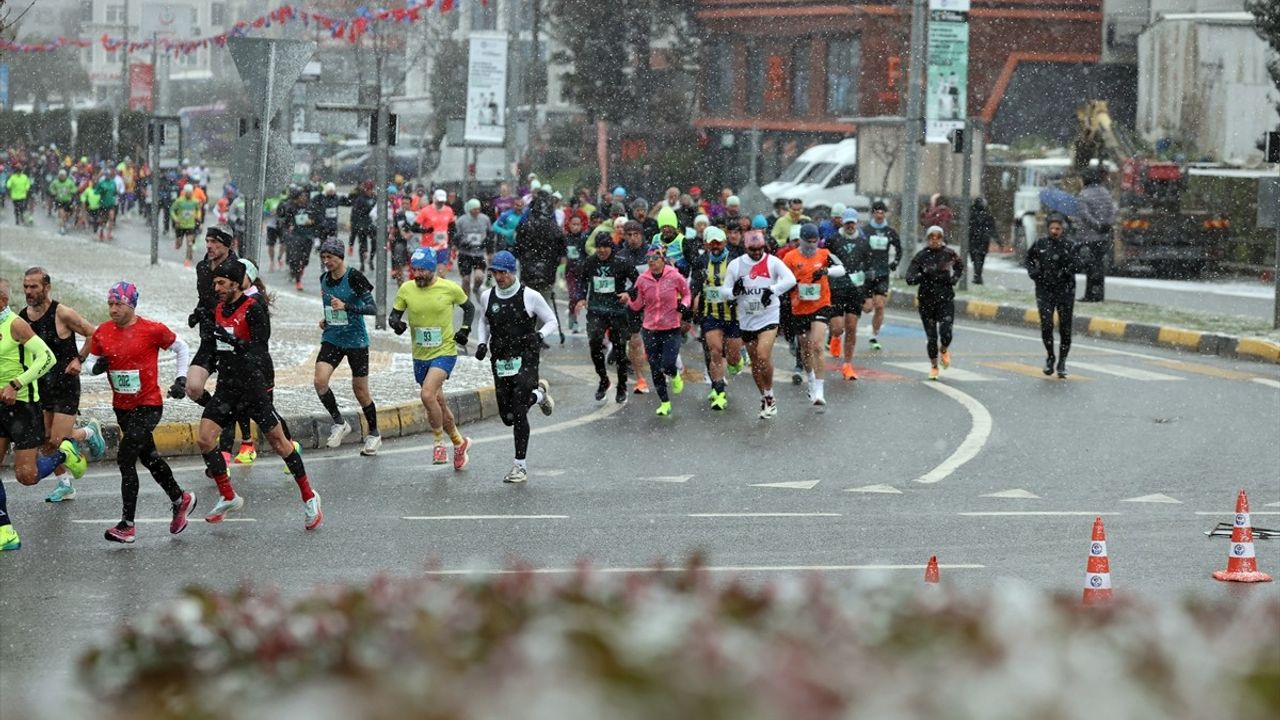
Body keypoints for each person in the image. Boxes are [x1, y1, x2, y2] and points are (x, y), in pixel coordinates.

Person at [198, 261, 323, 530]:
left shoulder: (253, 308)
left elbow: (259, 351)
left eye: (221, 283)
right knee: (205, 439)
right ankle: (229, 496)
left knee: (280, 443)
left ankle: (309, 496)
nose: (216, 288)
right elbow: (213, 349)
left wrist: (233, 342)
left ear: (234, 283)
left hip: (252, 387)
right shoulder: (218, 309)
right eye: (214, 283)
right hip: (226, 388)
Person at [82, 281, 196, 544]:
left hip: (148, 405)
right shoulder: (103, 332)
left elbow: (182, 347)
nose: (112, 309)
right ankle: (180, 499)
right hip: (122, 407)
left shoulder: (151, 330)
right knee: (150, 459)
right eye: (110, 304)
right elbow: (89, 361)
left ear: (131, 305)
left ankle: (127, 525)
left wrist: (181, 379)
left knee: (125, 458)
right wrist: (95, 368)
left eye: (118, 304)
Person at [19, 268, 106, 502]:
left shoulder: (62, 313)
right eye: (26, 286)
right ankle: (65, 484)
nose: (29, 291)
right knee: (46, 442)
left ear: (47, 287)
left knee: (58, 441)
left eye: (34, 286)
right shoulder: (22, 318)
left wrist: (80, 358)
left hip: (66, 385)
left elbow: (94, 334)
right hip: (41, 387)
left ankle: (89, 431)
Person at [472, 251, 557, 483]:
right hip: (500, 359)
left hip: (525, 358)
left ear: (512, 272)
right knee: (507, 416)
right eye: (495, 272)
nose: (499, 277)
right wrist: (482, 342)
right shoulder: (487, 296)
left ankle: (520, 466)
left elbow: (552, 321)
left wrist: (539, 336)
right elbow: (484, 321)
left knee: (519, 412)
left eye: (503, 272)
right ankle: (539, 395)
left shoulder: (530, 296)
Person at [389, 248, 475, 469]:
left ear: (432, 269)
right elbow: (394, 315)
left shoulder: (449, 288)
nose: (416, 275)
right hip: (420, 356)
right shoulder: (407, 289)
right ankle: (459, 442)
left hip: (444, 352)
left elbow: (469, 307)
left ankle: (438, 443)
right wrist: (395, 324)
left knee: (427, 395)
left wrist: (464, 330)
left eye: (421, 270)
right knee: (437, 403)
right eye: (413, 270)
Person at [0, 277, 66, 551]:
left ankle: (66, 453)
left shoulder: (15, 324)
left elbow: (47, 357)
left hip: (23, 407)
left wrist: (17, 384)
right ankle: (6, 532)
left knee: (26, 477)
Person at [720, 230, 797, 418]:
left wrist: (772, 290)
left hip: (769, 316)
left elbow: (791, 280)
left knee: (763, 356)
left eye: (760, 249)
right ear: (746, 248)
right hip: (747, 319)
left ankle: (770, 395)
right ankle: (764, 396)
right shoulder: (736, 265)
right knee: (755, 363)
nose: (756, 252)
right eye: (752, 249)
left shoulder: (773, 262)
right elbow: (724, 291)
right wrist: (734, 292)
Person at [315, 238, 382, 455]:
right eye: (323, 257)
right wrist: (326, 319)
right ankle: (339, 423)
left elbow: (373, 308)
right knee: (320, 381)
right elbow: (331, 307)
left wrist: (348, 307)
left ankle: (374, 434)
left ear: (340, 257)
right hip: (333, 337)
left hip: (356, 341)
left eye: (330, 257)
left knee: (360, 391)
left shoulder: (354, 276)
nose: (326, 261)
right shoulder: (323, 279)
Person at [782, 223, 845, 406]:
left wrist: (826, 271)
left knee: (817, 345)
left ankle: (819, 390)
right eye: (808, 242)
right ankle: (810, 379)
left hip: (821, 304)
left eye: (814, 241)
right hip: (799, 307)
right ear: (800, 240)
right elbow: (780, 278)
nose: (811, 245)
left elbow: (841, 269)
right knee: (805, 347)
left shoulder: (824, 254)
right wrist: (792, 284)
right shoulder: (790, 257)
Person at [624, 247, 692, 417]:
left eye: (655, 258)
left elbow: (687, 295)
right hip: (650, 329)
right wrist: (628, 301)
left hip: (671, 327)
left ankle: (675, 374)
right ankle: (665, 402)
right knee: (655, 367)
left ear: (663, 260)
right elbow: (638, 304)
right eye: (649, 259)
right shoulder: (642, 279)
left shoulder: (675, 276)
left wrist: (684, 306)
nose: (651, 261)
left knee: (668, 364)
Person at [574, 233, 639, 403]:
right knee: (595, 346)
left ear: (611, 247)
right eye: (599, 247)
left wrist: (628, 293)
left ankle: (622, 386)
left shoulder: (621, 263)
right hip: (596, 310)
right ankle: (603, 380)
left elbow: (639, 282)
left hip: (617, 311)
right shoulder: (590, 262)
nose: (601, 250)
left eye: (605, 247)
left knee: (619, 351)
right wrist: (581, 297)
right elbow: (582, 281)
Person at [689, 226, 742, 410]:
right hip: (710, 314)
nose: (715, 246)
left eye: (718, 242)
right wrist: (694, 296)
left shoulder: (735, 261)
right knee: (715, 351)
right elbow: (695, 283)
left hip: (733, 315)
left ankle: (736, 361)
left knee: (732, 357)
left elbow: (744, 284)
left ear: (725, 242)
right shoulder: (701, 261)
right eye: (712, 243)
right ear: (706, 244)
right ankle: (719, 392)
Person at [905, 226, 964, 380]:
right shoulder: (921, 256)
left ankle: (943, 350)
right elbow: (909, 278)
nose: (935, 241)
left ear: (942, 238)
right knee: (932, 337)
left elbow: (959, 266)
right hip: (926, 301)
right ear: (927, 239)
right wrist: (923, 274)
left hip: (945, 299)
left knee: (946, 333)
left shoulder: (949, 254)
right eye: (932, 237)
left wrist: (955, 278)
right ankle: (934, 366)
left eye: (938, 237)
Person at [1025, 214, 1078, 378]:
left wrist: (1067, 271)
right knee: (1046, 324)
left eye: (1058, 229)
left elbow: (1079, 263)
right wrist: (1035, 273)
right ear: (1048, 229)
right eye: (1052, 228)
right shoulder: (1040, 244)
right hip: (1045, 290)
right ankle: (1050, 356)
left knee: (1065, 327)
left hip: (1065, 291)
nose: (1055, 231)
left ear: (1062, 230)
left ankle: (1062, 361)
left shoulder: (1070, 245)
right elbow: (1028, 260)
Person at [825, 209, 874, 381]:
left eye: (853, 223)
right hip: (836, 288)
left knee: (852, 327)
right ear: (843, 223)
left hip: (855, 289)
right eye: (847, 223)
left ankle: (847, 365)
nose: (850, 226)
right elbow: (825, 263)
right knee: (838, 327)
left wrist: (869, 295)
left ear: (857, 223)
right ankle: (835, 337)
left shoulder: (863, 242)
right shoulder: (832, 240)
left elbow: (869, 269)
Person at [514, 190, 566, 344]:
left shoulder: (525, 226)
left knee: (527, 303)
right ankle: (538, 335)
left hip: (529, 271)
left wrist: (526, 260)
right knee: (543, 303)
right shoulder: (554, 228)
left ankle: (527, 333)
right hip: (547, 272)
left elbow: (518, 248)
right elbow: (562, 251)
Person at [861, 200, 902, 350]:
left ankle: (874, 336)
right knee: (867, 308)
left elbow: (899, 248)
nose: (879, 215)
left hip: (882, 273)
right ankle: (855, 309)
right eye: (877, 212)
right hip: (867, 274)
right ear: (873, 214)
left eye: (882, 212)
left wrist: (895, 262)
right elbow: (860, 248)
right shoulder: (866, 231)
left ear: (885, 214)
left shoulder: (890, 232)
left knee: (879, 305)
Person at [1077, 166, 1116, 302]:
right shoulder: (1105, 192)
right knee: (1099, 265)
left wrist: (1096, 226)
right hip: (1103, 236)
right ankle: (1099, 294)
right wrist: (1106, 225)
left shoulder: (1084, 194)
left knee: (1090, 267)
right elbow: (1112, 211)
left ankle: (1090, 295)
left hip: (1089, 236)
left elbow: (1085, 215)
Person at [455, 198, 493, 303]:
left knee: (479, 277)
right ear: (470, 209)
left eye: (478, 209)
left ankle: (476, 288)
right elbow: (456, 237)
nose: (477, 211)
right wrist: (462, 243)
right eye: (474, 209)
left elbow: (490, 235)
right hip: (465, 254)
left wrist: (489, 250)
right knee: (466, 280)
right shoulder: (461, 220)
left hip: (479, 254)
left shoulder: (485, 219)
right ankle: (467, 302)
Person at [170, 185, 203, 267]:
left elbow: (198, 209)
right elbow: (171, 210)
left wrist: (198, 216)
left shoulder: (195, 201)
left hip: (190, 226)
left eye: (190, 193)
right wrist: (175, 218)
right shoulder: (179, 201)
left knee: (190, 243)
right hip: (180, 226)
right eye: (187, 193)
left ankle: (188, 259)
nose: (189, 194)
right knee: (179, 245)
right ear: (185, 192)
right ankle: (178, 242)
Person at [968, 197, 996, 285]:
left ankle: (977, 276)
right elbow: (992, 229)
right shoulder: (986, 214)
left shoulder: (973, 213)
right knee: (979, 259)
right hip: (981, 240)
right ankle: (978, 275)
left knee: (976, 258)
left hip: (977, 240)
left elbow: (992, 228)